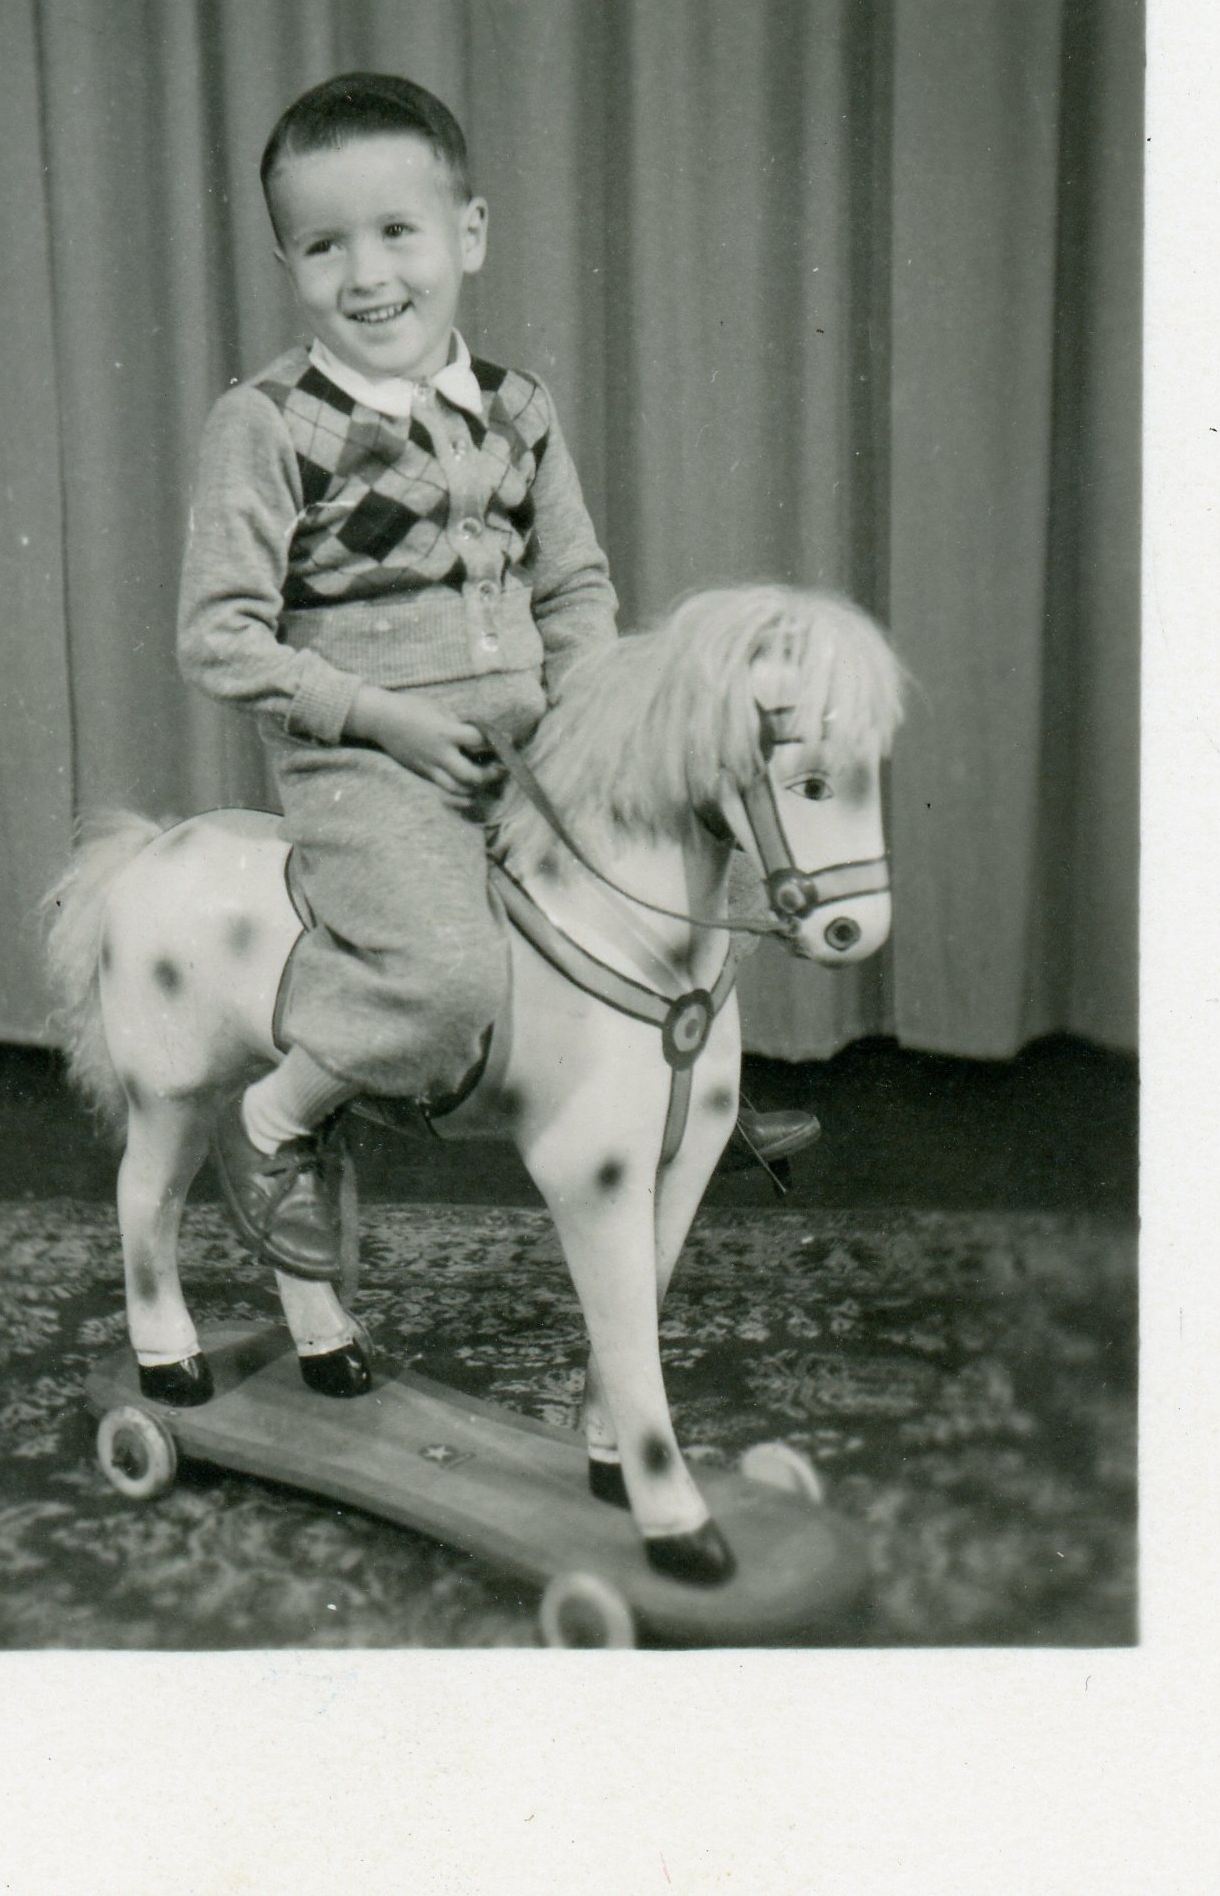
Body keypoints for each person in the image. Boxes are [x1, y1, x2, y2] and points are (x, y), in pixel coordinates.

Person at [178, 72, 814, 1292]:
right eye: (324, 245)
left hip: (528, 731)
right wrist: (380, 718)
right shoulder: (266, 423)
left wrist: (591, 716)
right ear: (285, 260)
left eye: (397, 231)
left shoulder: (518, 408)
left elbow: (573, 585)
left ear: (468, 233)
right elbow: (219, 640)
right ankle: (270, 1122)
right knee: (447, 976)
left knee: (699, 862)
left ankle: (697, 1091)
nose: (367, 274)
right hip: (368, 761)